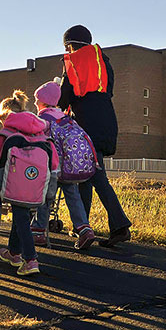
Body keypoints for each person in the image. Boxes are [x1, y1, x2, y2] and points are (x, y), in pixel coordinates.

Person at [58, 25, 132, 246]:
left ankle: (120, 226)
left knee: (97, 177)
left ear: (69, 44)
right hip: (106, 121)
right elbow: (108, 91)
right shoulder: (103, 61)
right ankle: (83, 226)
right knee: (85, 177)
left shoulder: (72, 63)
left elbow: (63, 98)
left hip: (85, 128)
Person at [32, 80, 97, 250]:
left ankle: (38, 230)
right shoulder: (66, 118)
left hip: (53, 167)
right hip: (70, 167)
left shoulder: (43, 118)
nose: (35, 104)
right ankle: (84, 229)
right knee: (73, 196)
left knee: (46, 195)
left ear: (43, 102)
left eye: (36, 100)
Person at [0, 90, 48, 276]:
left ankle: (30, 259)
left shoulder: (5, 134)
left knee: (21, 219)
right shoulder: (40, 133)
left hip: (15, 182)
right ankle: (14, 253)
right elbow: (53, 161)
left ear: (4, 115)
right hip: (38, 184)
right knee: (21, 215)